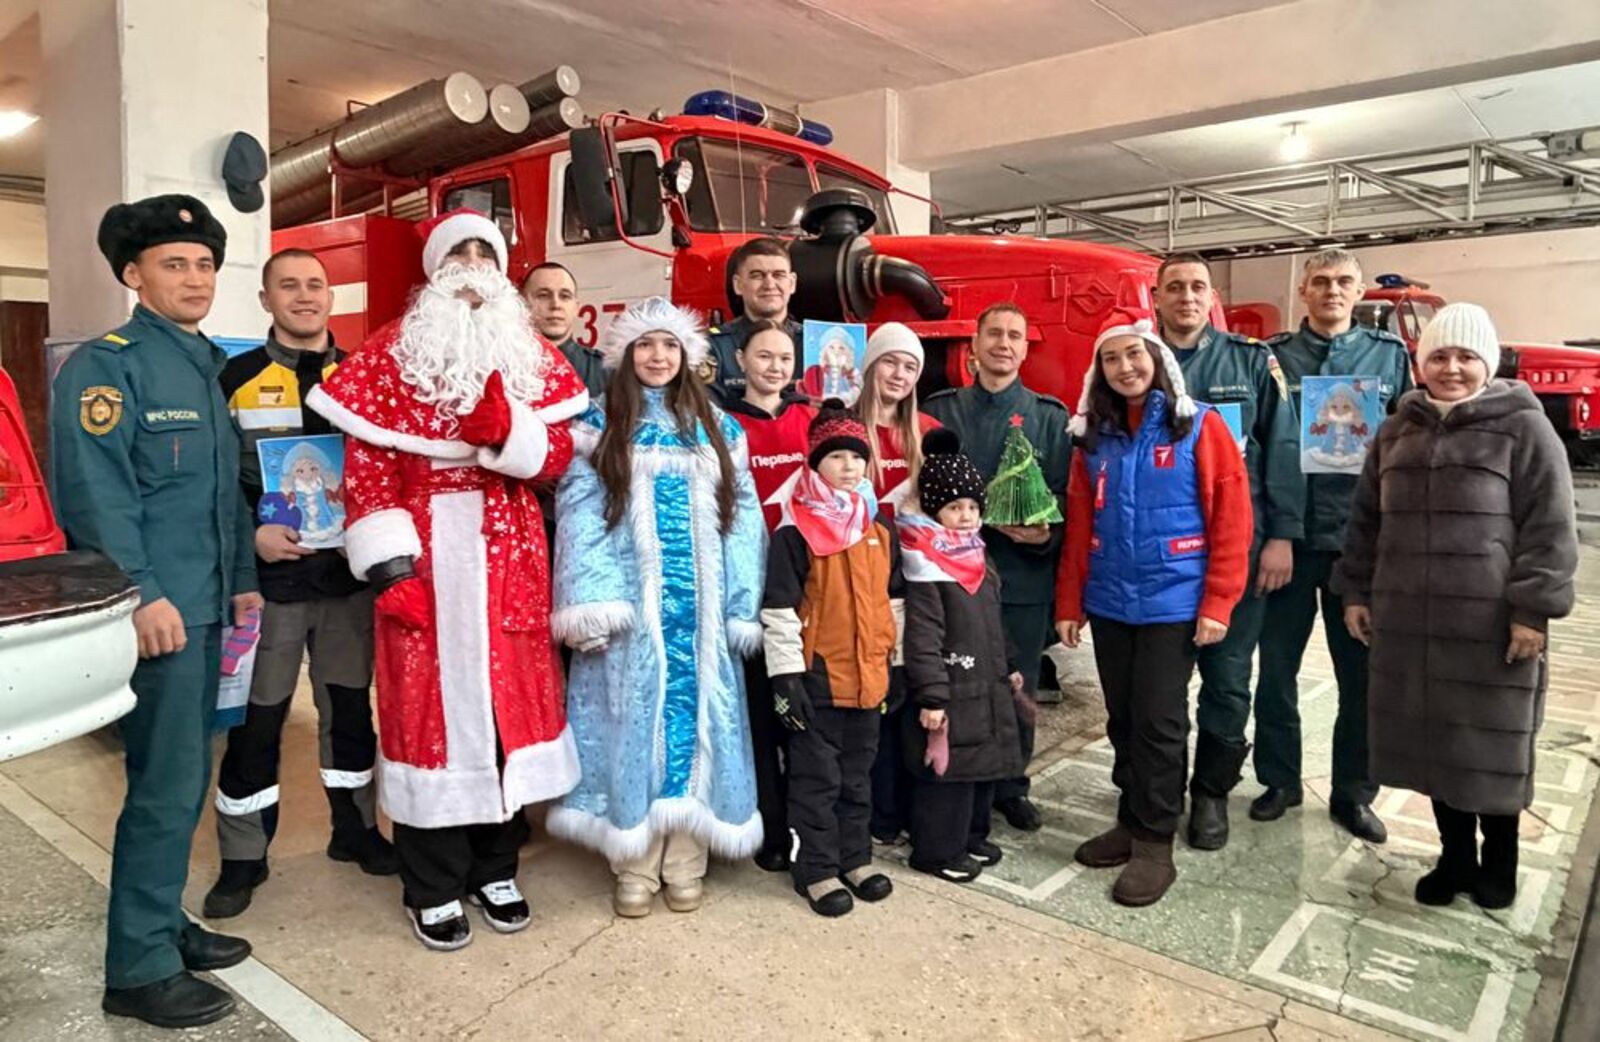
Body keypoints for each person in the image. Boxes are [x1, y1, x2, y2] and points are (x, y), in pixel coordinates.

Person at [308, 210, 588, 951]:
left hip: (510, 554)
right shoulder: (386, 355)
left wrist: (512, 435)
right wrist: (391, 568)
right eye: (456, 253)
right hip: (426, 558)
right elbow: (368, 474)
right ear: (434, 270)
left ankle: (496, 865)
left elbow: (558, 457)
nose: (471, 265)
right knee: (429, 720)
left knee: (507, 714)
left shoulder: (527, 351)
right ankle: (431, 882)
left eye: (483, 252)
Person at [51, 194, 260, 1027]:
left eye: (205, 264)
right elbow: (94, 494)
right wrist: (141, 591)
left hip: (207, 607)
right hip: (161, 611)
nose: (196, 278)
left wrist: (242, 577)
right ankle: (137, 969)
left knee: (184, 777)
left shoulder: (205, 363)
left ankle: (164, 924)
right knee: (166, 786)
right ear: (134, 275)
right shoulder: (109, 367)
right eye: (175, 264)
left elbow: (222, 492)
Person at [1334, 303, 1578, 910]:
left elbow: (1550, 524)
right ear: (1421, 363)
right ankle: (1455, 859)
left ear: (1487, 363)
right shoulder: (1396, 430)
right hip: (1409, 626)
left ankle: (1499, 863)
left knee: (1488, 747)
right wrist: (1357, 591)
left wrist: (1533, 610)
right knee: (1432, 745)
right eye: (1439, 356)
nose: (1451, 368)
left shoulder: (1523, 428)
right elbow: (1365, 521)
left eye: (1466, 356)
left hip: (1488, 626)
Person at [549, 296, 766, 918]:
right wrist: (592, 605)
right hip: (632, 621)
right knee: (632, 728)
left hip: (702, 620)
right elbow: (580, 512)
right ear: (625, 354)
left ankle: (686, 861)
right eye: (646, 344)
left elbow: (743, 517)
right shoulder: (599, 423)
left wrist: (740, 604)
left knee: (703, 729)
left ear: (687, 355)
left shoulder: (718, 428)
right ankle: (635, 863)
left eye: (670, 344)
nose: (658, 356)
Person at [205, 248, 396, 920]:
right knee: (259, 721)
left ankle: (357, 831)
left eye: (316, 285)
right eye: (288, 285)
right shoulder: (232, 378)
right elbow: (214, 482)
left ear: (330, 297)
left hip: (347, 583)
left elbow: (387, 469)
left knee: (351, 712)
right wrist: (251, 536)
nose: (304, 296)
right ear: (266, 299)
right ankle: (243, 856)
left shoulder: (363, 375)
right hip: (270, 587)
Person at [1054, 310, 1252, 906]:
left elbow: (1232, 517)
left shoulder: (1200, 426)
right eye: (1111, 359)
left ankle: (1154, 842)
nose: (1125, 368)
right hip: (1112, 600)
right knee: (1122, 719)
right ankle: (1131, 816)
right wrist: (1070, 601)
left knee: (1160, 723)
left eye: (1134, 354)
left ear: (1157, 359)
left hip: (1174, 602)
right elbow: (1080, 522)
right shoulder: (1094, 438)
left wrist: (1219, 601)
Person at [1252, 249, 1414, 843]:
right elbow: (1259, 446)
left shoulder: (1388, 356)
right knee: (1276, 672)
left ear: (1360, 290)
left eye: (1344, 281)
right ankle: (1279, 781)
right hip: (1289, 543)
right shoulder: (1272, 357)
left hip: (1359, 546)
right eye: (1320, 282)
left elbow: (1407, 444)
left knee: (1361, 678)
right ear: (1303, 291)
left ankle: (1354, 793)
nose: (1332, 291)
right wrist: (1274, 533)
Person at [1152, 253, 1303, 851]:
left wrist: (1282, 536)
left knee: (1228, 679)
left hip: (1235, 554)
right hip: (1160, 560)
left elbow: (1282, 449)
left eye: (1197, 286)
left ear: (1210, 296)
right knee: (1158, 688)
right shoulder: (1136, 361)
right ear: (1157, 298)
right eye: (1174, 287)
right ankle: (1156, 789)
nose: (1186, 297)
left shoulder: (1251, 361)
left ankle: (1211, 792)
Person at [924, 303, 1071, 833]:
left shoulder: (1049, 418)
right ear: (975, 344)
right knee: (956, 682)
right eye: (993, 334)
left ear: (1026, 349)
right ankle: (955, 782)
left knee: (1018, 685)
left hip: (1020, 576)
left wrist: (1045, 531)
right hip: (950, 580)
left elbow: (1065, 496)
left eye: (1014, 335)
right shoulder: (939, 411)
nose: (1003, 344)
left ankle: (1012, 785)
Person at [762, 401, 903, 916]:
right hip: (818, 681)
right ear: (816, 463)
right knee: (816, 781)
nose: (848, 466)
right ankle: (817, 869)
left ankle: (854, 857)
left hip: (869, 679)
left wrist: (895, 664)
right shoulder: (795, 531)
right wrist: (786, 678)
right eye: (837, 457)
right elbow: (779, 609)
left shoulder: (877, 528)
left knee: (857, 778)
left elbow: (894, 601)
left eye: (857, 457)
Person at [899, 429, 1024, 883]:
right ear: (935, 511)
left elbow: (993, 620)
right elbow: (923, 638)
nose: (966, 516)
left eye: (972, 506)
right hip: (951, 688)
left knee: (981, 766)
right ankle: (936, 850)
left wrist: (1009, 663)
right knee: (948, 774)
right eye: (954, 508)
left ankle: (971, 836)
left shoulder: (978, 556)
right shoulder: (926, 565)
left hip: (985, 683)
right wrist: (931, 696)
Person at [724, 320, 817, 872]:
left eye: (784, 358)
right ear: (741, 360)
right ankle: (770, 824)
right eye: (764, 356)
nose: (775, 366)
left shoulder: (811, 419)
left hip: (803, 587)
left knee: (803, 713)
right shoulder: (723, 423)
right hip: (744, 586)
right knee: (757, 714)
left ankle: (810, 823)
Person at [855, 321, 940, 847]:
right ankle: (874, 809)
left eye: (910, 367)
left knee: (909, 695)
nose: (899, 374)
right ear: (870, 367)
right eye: (890, 362)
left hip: (914, 586)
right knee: (870, 699)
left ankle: (909, 806)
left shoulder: (928, 432)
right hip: (861, 584)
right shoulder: (843, 428)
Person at [704, 238, 802, 403]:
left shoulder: (814, 344)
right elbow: (706, 409)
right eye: (757, 276)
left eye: (778, 275)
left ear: (792, 283)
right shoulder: (714, 346)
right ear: (738, 284)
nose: (769, 284)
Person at [522, 261, 603, 399]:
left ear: (576, 308)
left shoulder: (604, 371)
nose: (555, 305)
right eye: (543, 295)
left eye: (565, 296)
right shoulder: (504, 368)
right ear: (522, 304)